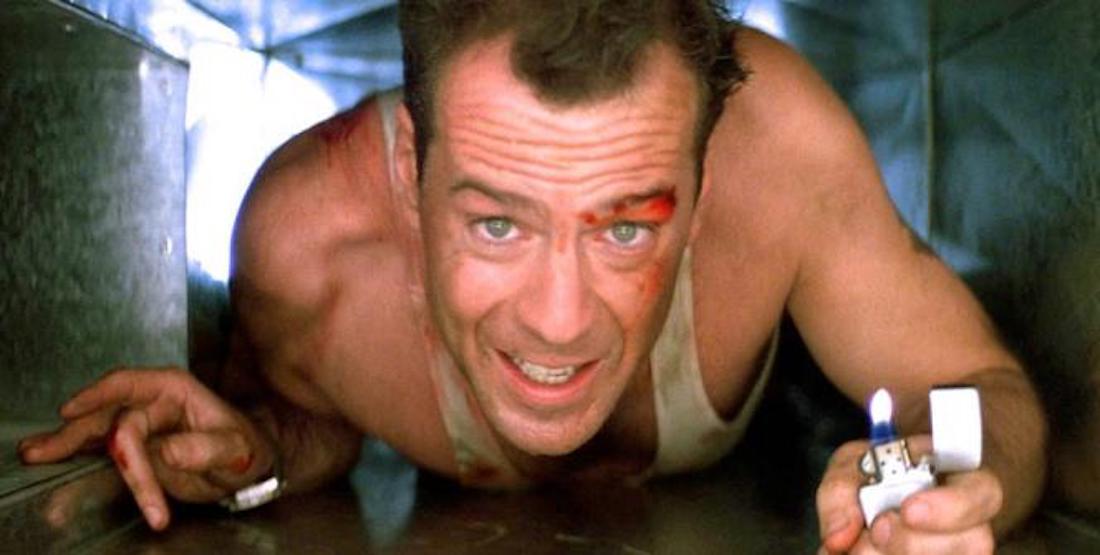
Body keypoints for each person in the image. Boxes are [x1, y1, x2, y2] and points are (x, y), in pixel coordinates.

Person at [18, 1, 1045, 552]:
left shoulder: (779, 148)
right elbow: (317, 415)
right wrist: (259, 448)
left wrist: (950, 485)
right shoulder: (307, 241)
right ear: (409, 168)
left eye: (626, 228)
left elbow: (980, 388)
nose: (559, 322)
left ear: (705, 172)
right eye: (497, 223)